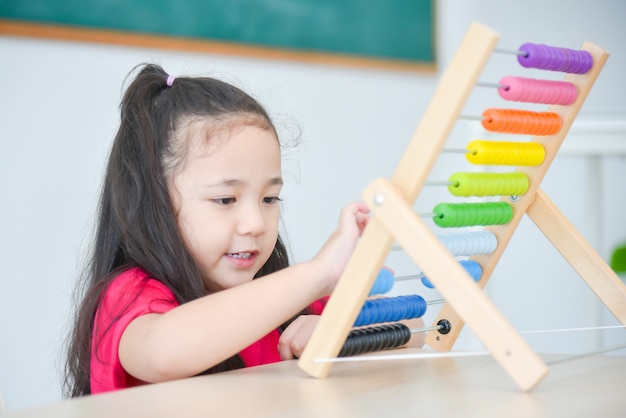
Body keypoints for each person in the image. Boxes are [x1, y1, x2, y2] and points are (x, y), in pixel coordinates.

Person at [63, 63, 371, 397]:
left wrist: (339, 335)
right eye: (225, 200)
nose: (255, 224)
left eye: (269, 198)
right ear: (155, 202)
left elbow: (416, 329)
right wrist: (319, 273)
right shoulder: (133, 294)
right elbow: (163, 352)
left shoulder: (280, 298)